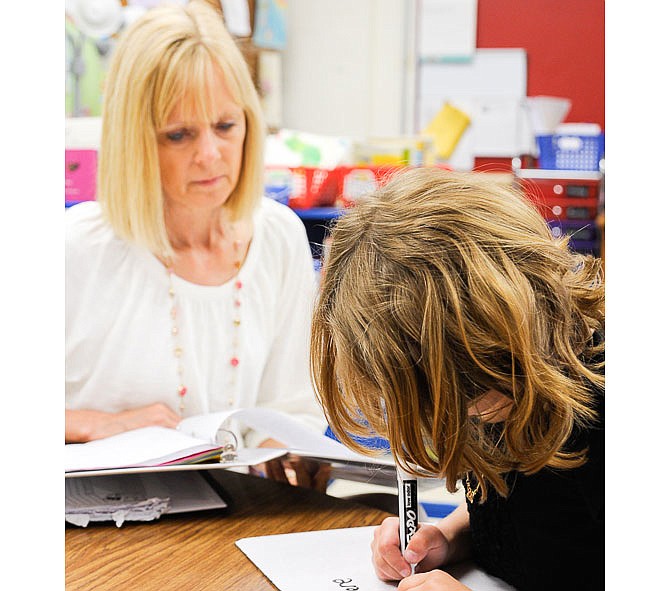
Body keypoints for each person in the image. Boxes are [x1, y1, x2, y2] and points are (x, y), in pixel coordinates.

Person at [65, 0, 328, 490]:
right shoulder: (76, 248)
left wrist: (286, 456)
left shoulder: (277, 236)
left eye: (226, 126)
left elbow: (292, 408)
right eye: (179, 134)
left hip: (230, 519)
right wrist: (88, 424)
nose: (210, 155)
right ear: (135, 140)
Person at [310, 167, 604, 590]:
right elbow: (541, 516)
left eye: (462, 394)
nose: (470, 417)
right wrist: (451, 537)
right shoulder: (502, 391)